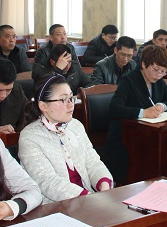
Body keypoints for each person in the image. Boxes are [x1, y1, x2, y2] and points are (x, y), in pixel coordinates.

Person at [19, 74, 113, 203]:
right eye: (63, 100)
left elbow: (93, 162)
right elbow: (48, 182)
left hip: (88, 199)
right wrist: (88, 197)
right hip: (54, 206)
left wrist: (104, 186)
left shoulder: (76, 125)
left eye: (71, 98)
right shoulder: (29, 137)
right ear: (43, 106)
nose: (70, 105)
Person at [103, 45, 167, 183]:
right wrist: (142, 112)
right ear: (144, 64)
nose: (159, 75)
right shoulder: (129, 81)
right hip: (125, 140)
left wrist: (162, 106)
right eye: (155, 69)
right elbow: (114, 108)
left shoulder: (159, 82)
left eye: (163, 72)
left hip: (149, 138)